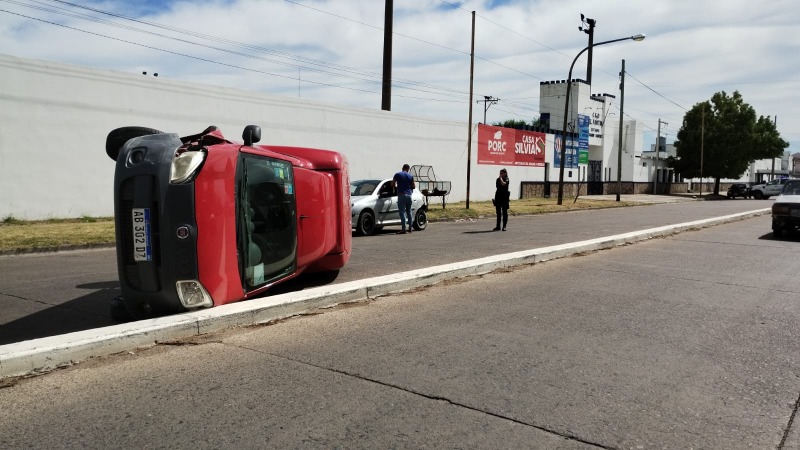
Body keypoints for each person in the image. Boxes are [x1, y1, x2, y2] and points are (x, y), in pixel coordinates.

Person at [392, 163, 415, 234]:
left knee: (402, 212)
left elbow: (392, 184)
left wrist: (396, 187)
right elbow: (414, 186)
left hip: (401, 195)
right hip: (409, 195)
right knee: (409, 211)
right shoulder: (411, 176)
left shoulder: (397, 174)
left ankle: (404, 229)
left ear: (402, 168)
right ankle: (410, 228)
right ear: (408, 169)